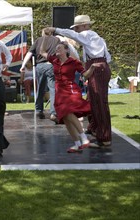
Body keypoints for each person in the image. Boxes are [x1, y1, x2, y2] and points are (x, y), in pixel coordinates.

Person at [46, 15, 112, 147]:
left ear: (84, 26)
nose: (76, 30)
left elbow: (71, 35)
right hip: (101, 66)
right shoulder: (97, 38)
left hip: (97, 67)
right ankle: (94, 128)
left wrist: (55, 29)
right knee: (93, 100)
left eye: (77, 27)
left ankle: (104, 137)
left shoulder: (87, 34)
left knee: (99, 102)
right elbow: (108, 58)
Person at [39, 38, 97, 153]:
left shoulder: (74, 62)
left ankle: (84, 138)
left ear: (66, 50)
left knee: (68, 112)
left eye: (59, 48)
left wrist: (92, 68)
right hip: (59, 92)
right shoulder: (54, 60)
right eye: (56, 49)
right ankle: (77, 144)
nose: (57, 50)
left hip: (71, 91)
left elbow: (85, 75)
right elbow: (42, 51)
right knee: (65, 118)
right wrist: (46, 38)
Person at [20, 29, 60, 122]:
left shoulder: (38, 40)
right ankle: (53, 113)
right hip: (52, 65)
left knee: (40, 89)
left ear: (42, 33)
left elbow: (29, 53)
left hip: (40, 66)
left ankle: (39, 110)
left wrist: (23, 65)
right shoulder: (57, 40)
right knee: (53, 89)